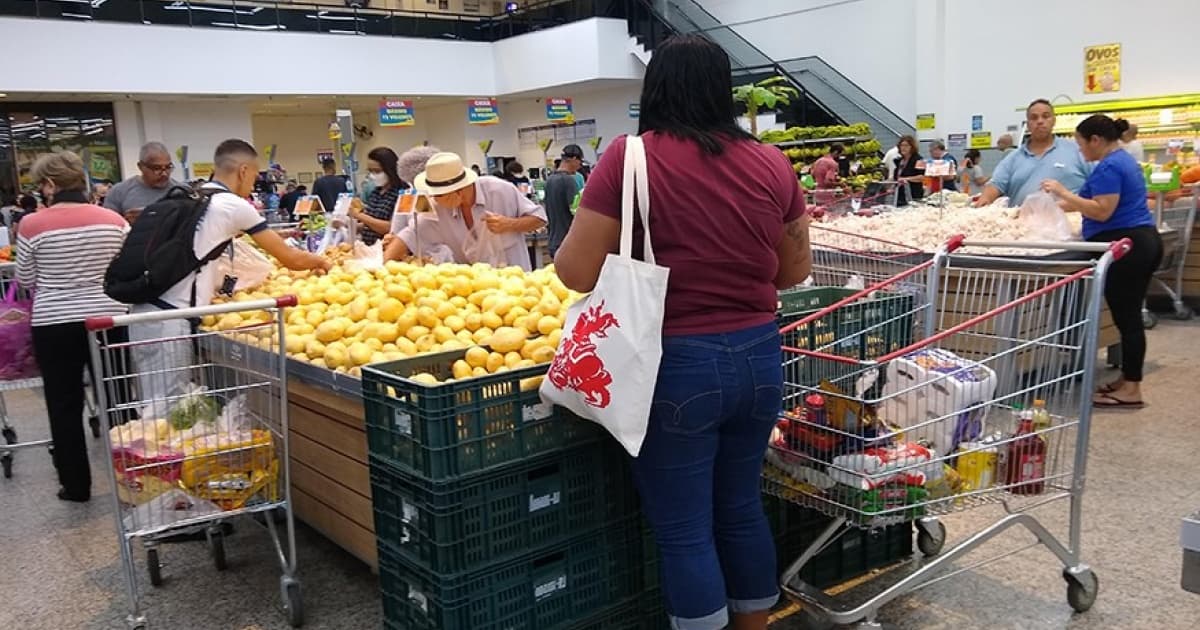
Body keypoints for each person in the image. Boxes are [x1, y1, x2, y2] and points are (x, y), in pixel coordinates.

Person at [553, 35, 811, 630]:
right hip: (760, 357)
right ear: (723, 89)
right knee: (742, 508)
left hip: (675, 365)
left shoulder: (630, 157)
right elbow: (794, 270)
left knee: (684, 529)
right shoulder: (771, 161)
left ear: (657, 88)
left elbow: (573, 271)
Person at [129, 140, 330, 403]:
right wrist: (323, 262)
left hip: (144, 310)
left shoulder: (193, 193)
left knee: (155, 405)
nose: (253, 184)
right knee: (166, 412)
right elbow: (290, 257)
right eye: (255, 176)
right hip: (169, 318)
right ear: (244, 171)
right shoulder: (232, 205)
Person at [15, 152, 130, 502]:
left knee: (64, 405)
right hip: (107, 317)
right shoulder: (114, 220)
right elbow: (123, 271)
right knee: (119, 400)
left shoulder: (31, 225)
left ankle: (76, 485)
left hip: (54, 323)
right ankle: (133, 479)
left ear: (49, 184)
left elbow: (25, 278)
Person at [1040, 115, 1162, 408]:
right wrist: (1045, 207)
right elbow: (1087, 201)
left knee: (1128, 318)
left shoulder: (1109, 165)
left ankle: (1132, 390)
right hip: (1139, 242)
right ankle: (1127, 380)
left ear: (1095, 140)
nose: (1081, 152)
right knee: (1126, 317)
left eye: (1082, 145)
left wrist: (1061, 191)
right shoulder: (1120, 161)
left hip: (1128, 247)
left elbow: (1102, 211)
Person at [385, 152, 547, 270]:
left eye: (439, 195)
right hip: (473, 293)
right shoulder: (437, 208)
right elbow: (410, 234)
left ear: (458, 190)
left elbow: (539, 218)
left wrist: (510, 224)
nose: (435, 199)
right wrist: (383, 266)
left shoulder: (499, 190)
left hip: (516, 284)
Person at [974, 100, 1090, 207]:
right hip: (1024, 224)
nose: (1040, 121)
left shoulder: (1077, 150)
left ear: (1054, 121)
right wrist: (985, 200)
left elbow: (1099, 185)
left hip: (1070, 224)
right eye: (1034, 118)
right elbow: (996, 185)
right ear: (1028, 124)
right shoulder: (1013, 158)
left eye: (1045, 116)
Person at [104, 142, 182, 219]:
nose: (164, 174)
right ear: (141, 166)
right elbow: (108, 226)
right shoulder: (118, 193)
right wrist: (126, 222)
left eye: (168, 167)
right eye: (157, 168)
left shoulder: (182, 191)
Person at [348, 147, 404, 246]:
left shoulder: (400, 194)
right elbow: (369, 225)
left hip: (387, 249)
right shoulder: (376, 192)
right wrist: (349, 225)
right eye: (370, 171)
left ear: (390, 170)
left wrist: (358, 215)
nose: (372, 175)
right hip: (369, 249)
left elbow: (390, 228)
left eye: (377, 171)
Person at [545, 146, 584, 258]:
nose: (579, 166)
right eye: (580, 162)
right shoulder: (568, 181)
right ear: (574, 159)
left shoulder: (550, 180)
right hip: (567, 242)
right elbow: (577, 213)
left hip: (553, 240)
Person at [893, 135, 925, 205]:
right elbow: (896, 177)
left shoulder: (919, 160)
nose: (903, 148)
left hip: (914, 195)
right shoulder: (898, 160)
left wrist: (906, 179)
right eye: (901, 145)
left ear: (912, 147)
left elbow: (922, 177)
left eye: (906, 146)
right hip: (899, 195)